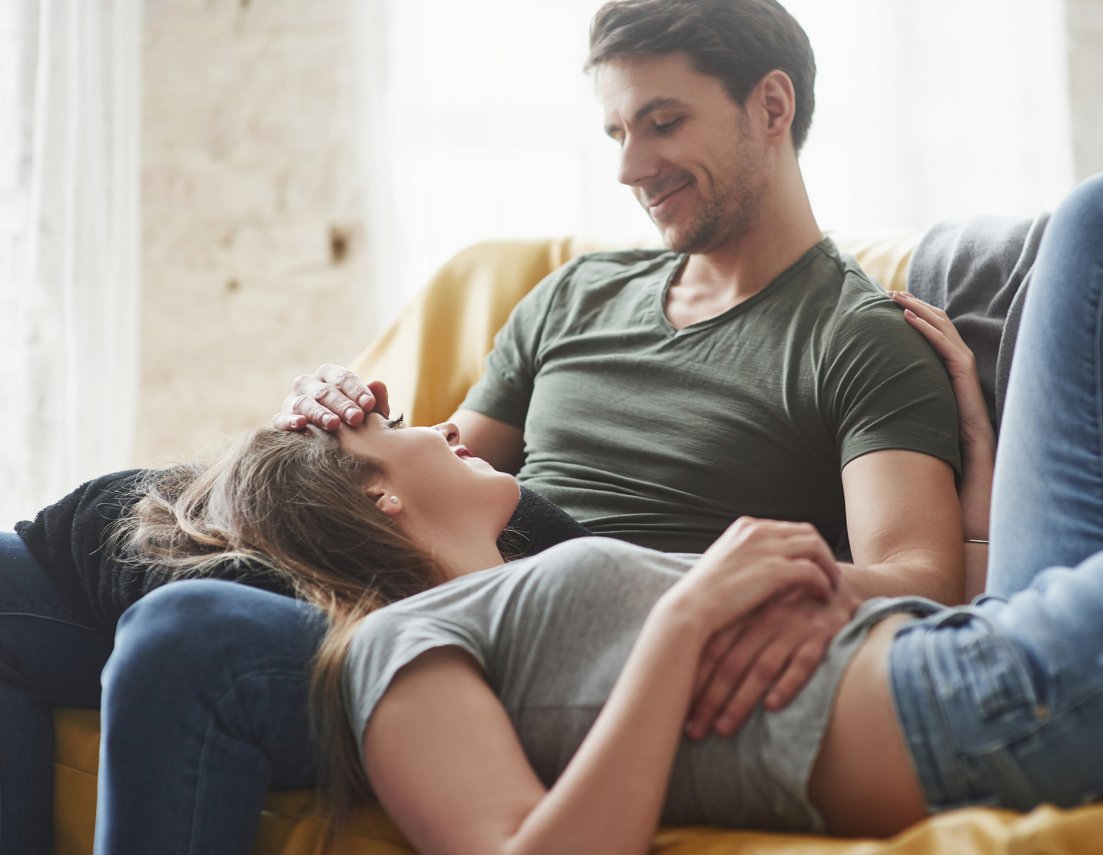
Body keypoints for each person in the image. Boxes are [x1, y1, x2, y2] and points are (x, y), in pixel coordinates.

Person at [3, 2, 966, 851]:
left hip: (540, 649)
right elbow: (437, 476)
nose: (632, 166)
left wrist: (706, 591)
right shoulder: (578, 294)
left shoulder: (857, 339)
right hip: (409, 585)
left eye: (663, 122)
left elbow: (924, 582)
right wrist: (326, 424)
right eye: (618, 132)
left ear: (772, 106)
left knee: (184, 622)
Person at [116, 168, 1103, 853]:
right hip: (984, 706)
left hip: (983, 637)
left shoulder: (522, 577)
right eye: (400, 433)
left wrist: (976, 445)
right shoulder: (387, 650)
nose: (432, 421)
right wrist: (678, 631)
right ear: (377, 493)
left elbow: (943, 582)